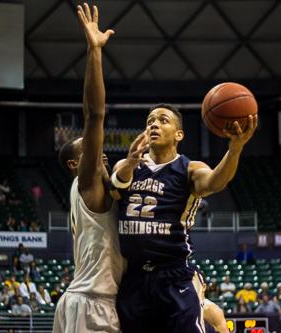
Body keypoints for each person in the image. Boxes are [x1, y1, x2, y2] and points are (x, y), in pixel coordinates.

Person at [113, 75, 256, 333]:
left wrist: (234, 150)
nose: (154, 125)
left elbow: (214, 182)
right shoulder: (128, 167)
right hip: (133, 276)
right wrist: (130, 162)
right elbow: (112, 190)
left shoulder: (188, 168)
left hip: (173, 274)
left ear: (178, 134)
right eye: (150, 122)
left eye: (162, 120)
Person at [52, 4, 125, 333]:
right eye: (90, 150)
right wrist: (94, 52)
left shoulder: (100, 188)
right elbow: (95, 114)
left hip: (88, 300)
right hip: (91, 304)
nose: (101, 154)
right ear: (73, 164)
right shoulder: (88, 182)